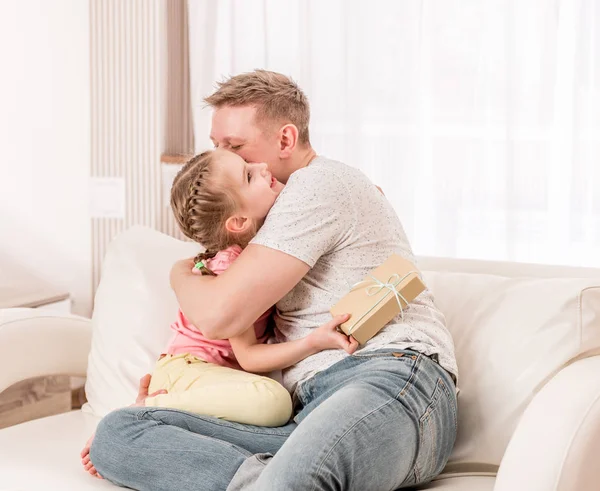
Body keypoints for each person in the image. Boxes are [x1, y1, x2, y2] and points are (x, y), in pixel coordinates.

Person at [86, 70, 459, 490]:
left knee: (295, 475)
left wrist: (178, 272)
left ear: (284, 140)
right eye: (217, 146)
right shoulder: (262, 222)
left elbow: (218, 315)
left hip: (388, 379)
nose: (225, 160)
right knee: (118, 434)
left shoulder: (317, 184)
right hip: (304, 410)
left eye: (236, 147)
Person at [146, 149, 356, 427]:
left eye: (248, 162)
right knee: (274, 402)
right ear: (238, 222)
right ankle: (147, 409)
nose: (262, 165)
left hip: (210, 381)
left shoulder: (265, 250)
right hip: (186, 372)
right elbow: (249, 357)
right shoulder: (233, 269)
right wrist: (313, 342)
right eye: (248, 175)